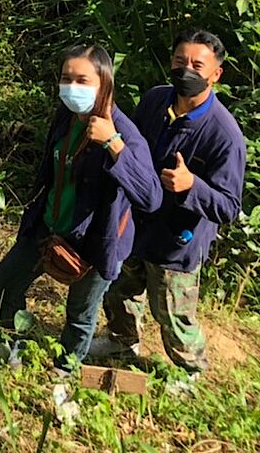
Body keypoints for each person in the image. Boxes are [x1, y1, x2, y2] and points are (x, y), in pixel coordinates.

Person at [0, 45, 161, 370]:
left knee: (80, 313)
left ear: (104, 83)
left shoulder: (125, 132)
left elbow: (151, 197)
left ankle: (65, 371)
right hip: (49, 226)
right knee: (5, 281)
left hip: (97, 241)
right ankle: (12, 352)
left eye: (82, 80)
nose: (72, 87)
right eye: (66, 78)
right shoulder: (66, 116)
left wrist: (113, 144)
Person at [95, 31, 246, 383]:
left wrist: (192, 186)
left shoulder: (224, 134)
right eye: (180, 62)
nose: (186, 71)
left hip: (178, 240)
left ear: (216, 74)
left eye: (197, 65)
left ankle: (190, 370)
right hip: (136, 223)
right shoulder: (154, 102)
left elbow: (229, 207)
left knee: (173, 314)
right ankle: (121, 341)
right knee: (120, 289)